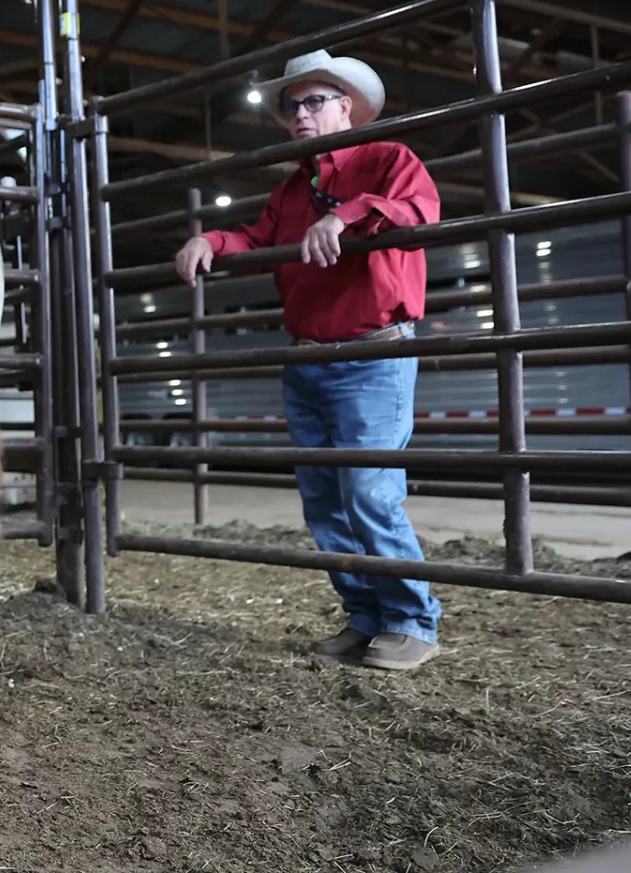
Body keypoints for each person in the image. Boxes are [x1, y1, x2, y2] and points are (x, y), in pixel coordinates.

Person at [172, 49, 442, 671]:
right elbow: (257, 239)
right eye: (291, 106)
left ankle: (412, 621)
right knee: (324, 499)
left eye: (314, 101)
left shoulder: (387, 159)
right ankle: (365, 616)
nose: (299, 114)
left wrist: (347, 215)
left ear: (346, 106)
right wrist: (209, 240)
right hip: (310, 358)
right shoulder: (291, 190)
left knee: (369, 492)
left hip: (372, 353)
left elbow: (419, 211)